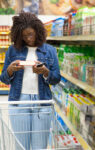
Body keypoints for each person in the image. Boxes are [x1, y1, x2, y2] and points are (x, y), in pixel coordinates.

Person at [0, 12, 61, 150]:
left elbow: (56, 78)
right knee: (21, 147)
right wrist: (10, 70)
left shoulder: (50, 51)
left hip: (42, 102)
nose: (28, 38)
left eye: (31, 34)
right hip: (19, 102)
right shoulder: (12, 50)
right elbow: (3, 78)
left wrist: (45, 72)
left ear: (38, 31)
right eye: (24, 35)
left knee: (40, 147)